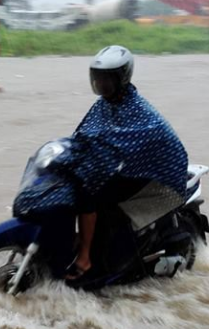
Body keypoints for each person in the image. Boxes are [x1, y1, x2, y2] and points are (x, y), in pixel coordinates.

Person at [63, 46, 189, 280]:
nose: (100, 84)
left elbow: (114, 144)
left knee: (92, 196)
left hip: (160, 176)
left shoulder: (139, 112)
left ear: (121, 78)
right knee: (78, 189)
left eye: (106, 79)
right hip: (132, 169)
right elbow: (84, 134)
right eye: (98, 78)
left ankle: (86, 258)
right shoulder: (104, 103)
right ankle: (82, 242)